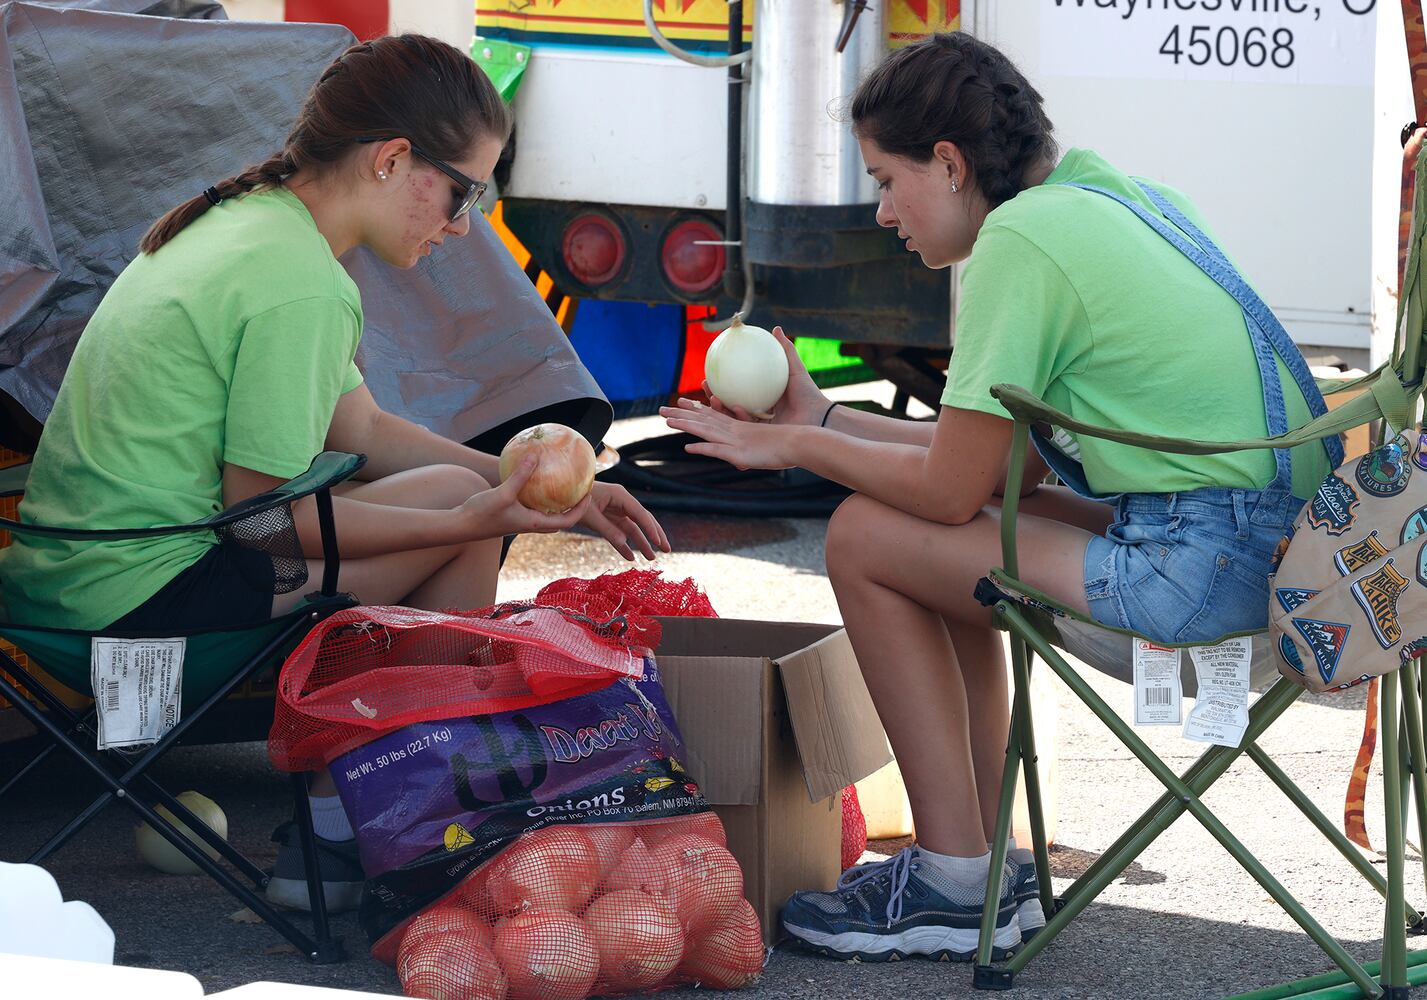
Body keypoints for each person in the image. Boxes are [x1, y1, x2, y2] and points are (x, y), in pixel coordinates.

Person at [663, 32, 1338, 962]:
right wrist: (825, 415)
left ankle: (947, 876)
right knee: (975, 539)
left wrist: (793, 443)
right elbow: (997, 476)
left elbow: (943, 492)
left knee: (864, 537)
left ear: (947, 164)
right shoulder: (1113, 201)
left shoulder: (1018, 242)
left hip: (1204, 585)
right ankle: (985, 864)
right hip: (1282, 562)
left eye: (885, 178)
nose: (884, 211)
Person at [0, 34, 668, 913]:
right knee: (454, 516)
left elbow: (361, 427)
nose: (463, 223)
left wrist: (544, 485)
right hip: (134, 620)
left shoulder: (256, 225)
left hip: (64, 589)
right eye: (463, 190)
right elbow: (259, 525)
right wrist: (473, 517)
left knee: (457, 502)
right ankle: (360, 831)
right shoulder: (300, 284)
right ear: (394, 160)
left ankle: (355, 830)